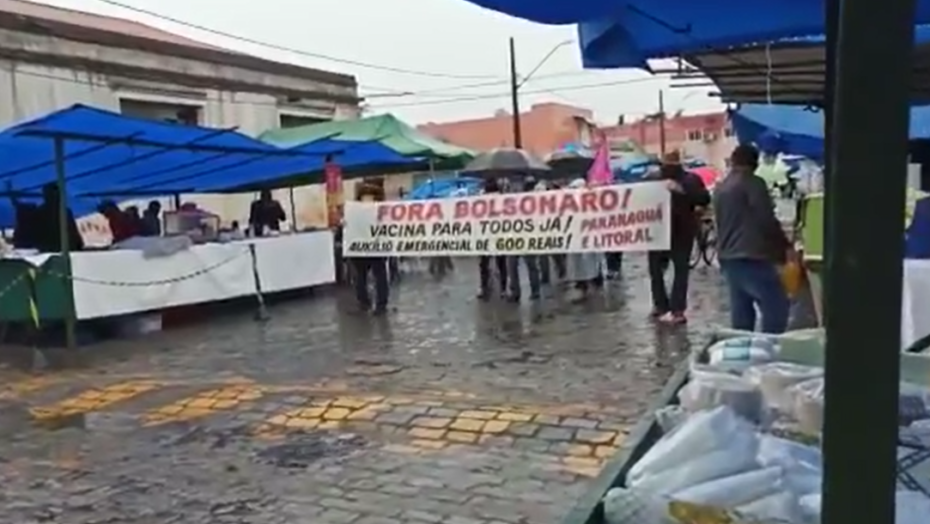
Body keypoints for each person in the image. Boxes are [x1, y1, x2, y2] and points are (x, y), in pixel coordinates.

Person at [714, 144, 792, 334]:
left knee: (742, 315)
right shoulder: (753, 183)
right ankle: (771, 351)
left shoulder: (721, 188)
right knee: (776, 306)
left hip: (729, 258)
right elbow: (766, 220)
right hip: (753, 256)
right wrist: (784, 249)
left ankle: (744, 354)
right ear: (754, 163)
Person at [647, 151, 711, 324]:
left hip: (660, 231)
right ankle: (675, 309)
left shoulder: (653, 180)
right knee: (678, 271)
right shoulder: (690, 179)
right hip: (679, 231)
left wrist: (682, 191)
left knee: (658, 271)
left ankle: (663, 306)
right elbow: (704, 199)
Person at [352, 180, 389, 314]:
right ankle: (364, 303)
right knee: (360, 277)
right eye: (365, 197)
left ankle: (380, 304)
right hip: (359, 248)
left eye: (370, 197)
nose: (367, 200)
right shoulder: (354, 211)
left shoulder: (382, 211)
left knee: (379, 275)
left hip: (376, 247)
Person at [565, 178, 603, 302]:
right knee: (578, 263)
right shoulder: (569, 203)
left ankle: (593, 282)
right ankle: (582, 287)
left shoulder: (591, 202)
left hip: (588, 236)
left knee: (590, 261)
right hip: (575, 237)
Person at [505, 177, 542, 302]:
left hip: (526, 233)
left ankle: (534, 290)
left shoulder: (530, 195)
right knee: (512, 265)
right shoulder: (505, 193)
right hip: (512, 234)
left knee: (530, 263)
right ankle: (516, 291)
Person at [477, 178, 508, 299]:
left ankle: (484, 287)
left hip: (485, 236)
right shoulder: (502, 199)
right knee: (501, 263)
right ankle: (503, 288)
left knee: (484, 264)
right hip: (498, 235)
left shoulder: (480, 201)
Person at [34, 183, 83, 253]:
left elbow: (73, 233)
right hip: (53, 249)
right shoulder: (64, 211)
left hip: (54, 249)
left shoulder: (64, 211)